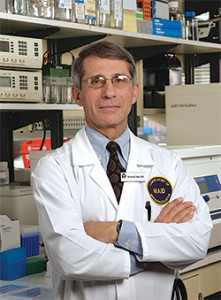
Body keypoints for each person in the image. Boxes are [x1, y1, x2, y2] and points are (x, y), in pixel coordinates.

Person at [32, 40, 212, 300]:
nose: (109, 92)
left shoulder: (168, 163)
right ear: (77, 95)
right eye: (96, 81)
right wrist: (153, 251)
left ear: (134, 91)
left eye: (119, 80)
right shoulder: (54, 168)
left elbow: (196, 241)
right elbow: (70, 258)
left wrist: (118, 231)